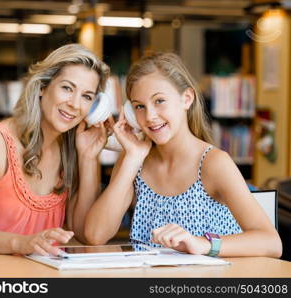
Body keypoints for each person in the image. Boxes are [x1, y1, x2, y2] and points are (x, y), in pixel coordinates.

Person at [84, 52, 282, 258]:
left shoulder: (213, 163)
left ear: (186, 99)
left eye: (159, 101)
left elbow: (271, 242)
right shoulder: (133, 160)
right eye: (139, 107)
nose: (150, 116)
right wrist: (132, 158)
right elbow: (95, 235)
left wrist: (202, 244)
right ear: (131, 114)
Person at [0, 43, 110, 256]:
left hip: (28, 277)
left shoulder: (71, 150)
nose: (74, 104)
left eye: (87, 96)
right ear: (43, 87)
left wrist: (89, 158)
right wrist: (21, 243)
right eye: (67, 88)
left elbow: (85, 234)